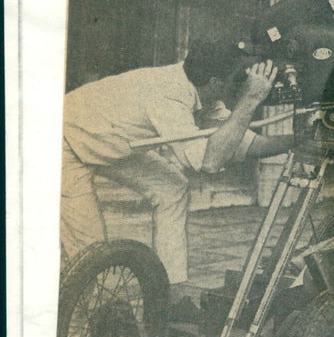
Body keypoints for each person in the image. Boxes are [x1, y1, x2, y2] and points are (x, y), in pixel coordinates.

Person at [60, 42, 290, 305]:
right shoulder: (169, 96)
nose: (240, 84)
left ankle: (172, 296)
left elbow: (247, 143)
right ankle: (83, 335)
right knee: (90, 254)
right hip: (66, 139)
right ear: (215, 81)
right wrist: (250, 100)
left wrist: (301, 138)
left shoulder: (201, 89)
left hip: (109, 139)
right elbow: (209, 162)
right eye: (237, 79)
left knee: (172, 187)